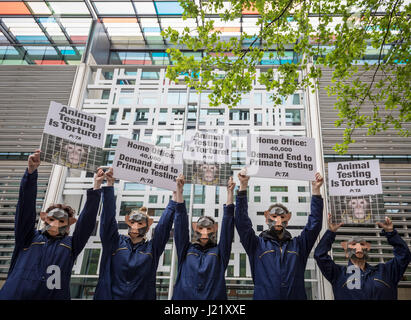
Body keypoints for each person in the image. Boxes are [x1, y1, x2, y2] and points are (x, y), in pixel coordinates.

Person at [0, 149, 102, 300]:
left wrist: (96, 187)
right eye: (52, 219)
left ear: (69, 224)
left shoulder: (71, 245)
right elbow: (25, 209)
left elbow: (86, 222)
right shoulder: (27, 237)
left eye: (61, 221)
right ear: (43, 218)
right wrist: (31, 173)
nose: (55, 224)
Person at [235, 168, 324, 300]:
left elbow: (314, 225)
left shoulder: (299, 245)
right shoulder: (256, 245)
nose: (278, 220)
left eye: (282, 217)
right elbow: (242, 223)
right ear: (266, 219)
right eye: (274, 216)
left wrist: (316, 191)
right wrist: (243, 186)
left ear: (287, 221)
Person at [94, 167, 177, 300]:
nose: (135, 226)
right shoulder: (114, 242)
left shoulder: (152, 249)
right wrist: (109, 185)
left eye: (140, 224)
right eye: (132, 222)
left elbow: (164, 227)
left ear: (148, 226)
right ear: (127, 222)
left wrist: (174, 197)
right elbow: (108, 219)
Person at [314, 214, 411, 299]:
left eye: (362, 244)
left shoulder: (386, 271)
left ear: (368, 248)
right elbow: (319, 255)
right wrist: (330, 232)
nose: (358, 247)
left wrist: (391, 232)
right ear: (346, 252)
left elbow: (404, 255)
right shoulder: (338, 274)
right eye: (353, 244)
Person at [172, 175, 235, 299]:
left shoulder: (220, 252)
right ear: (195, 228)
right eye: (200, 228)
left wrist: (230, 193)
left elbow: (228, 226)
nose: (205, 232)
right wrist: (179, 191)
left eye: (209, 228)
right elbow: (180, 223)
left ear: (215, 229)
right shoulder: (186, 249)